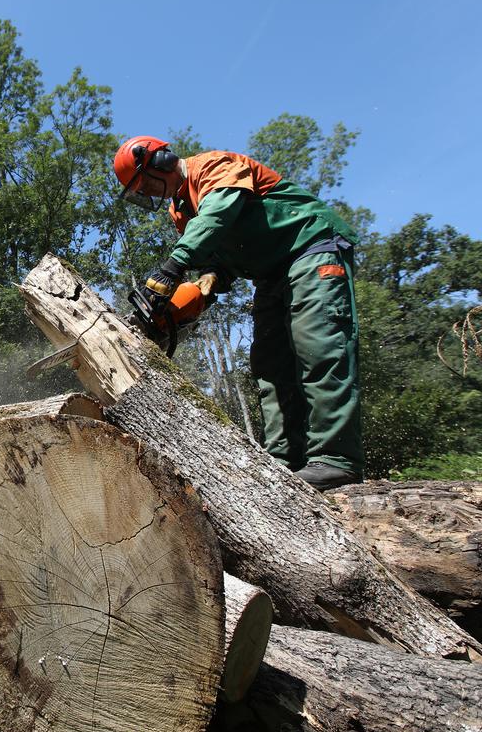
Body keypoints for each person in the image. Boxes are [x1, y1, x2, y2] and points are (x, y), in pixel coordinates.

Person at [113, 135, 363, 490]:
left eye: (147, 183)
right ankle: (284, 464)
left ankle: (337, 460)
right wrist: (195, 295)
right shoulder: (180, 210)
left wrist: (172, 268)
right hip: (270, 274)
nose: (152, 193)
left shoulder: (214, 166)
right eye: (142, 191)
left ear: (162, 160)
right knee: (270, 365)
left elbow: (219, 215)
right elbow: (218, 263)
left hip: (311, 248)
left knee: (320, 346)